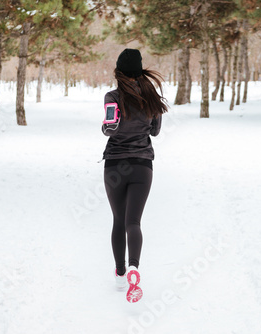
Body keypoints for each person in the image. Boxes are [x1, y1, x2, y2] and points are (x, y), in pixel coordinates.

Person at [101, 48, 168, 303]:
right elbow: (155, 131)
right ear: (140, 70)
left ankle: (119, 275)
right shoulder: (152, 97)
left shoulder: (112, 97)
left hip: (115, 166)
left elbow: (109, 129)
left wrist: (110, 124)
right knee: (133, 222)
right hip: (142, 165)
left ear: (119, 71)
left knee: (118, 220)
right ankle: (134, 268)